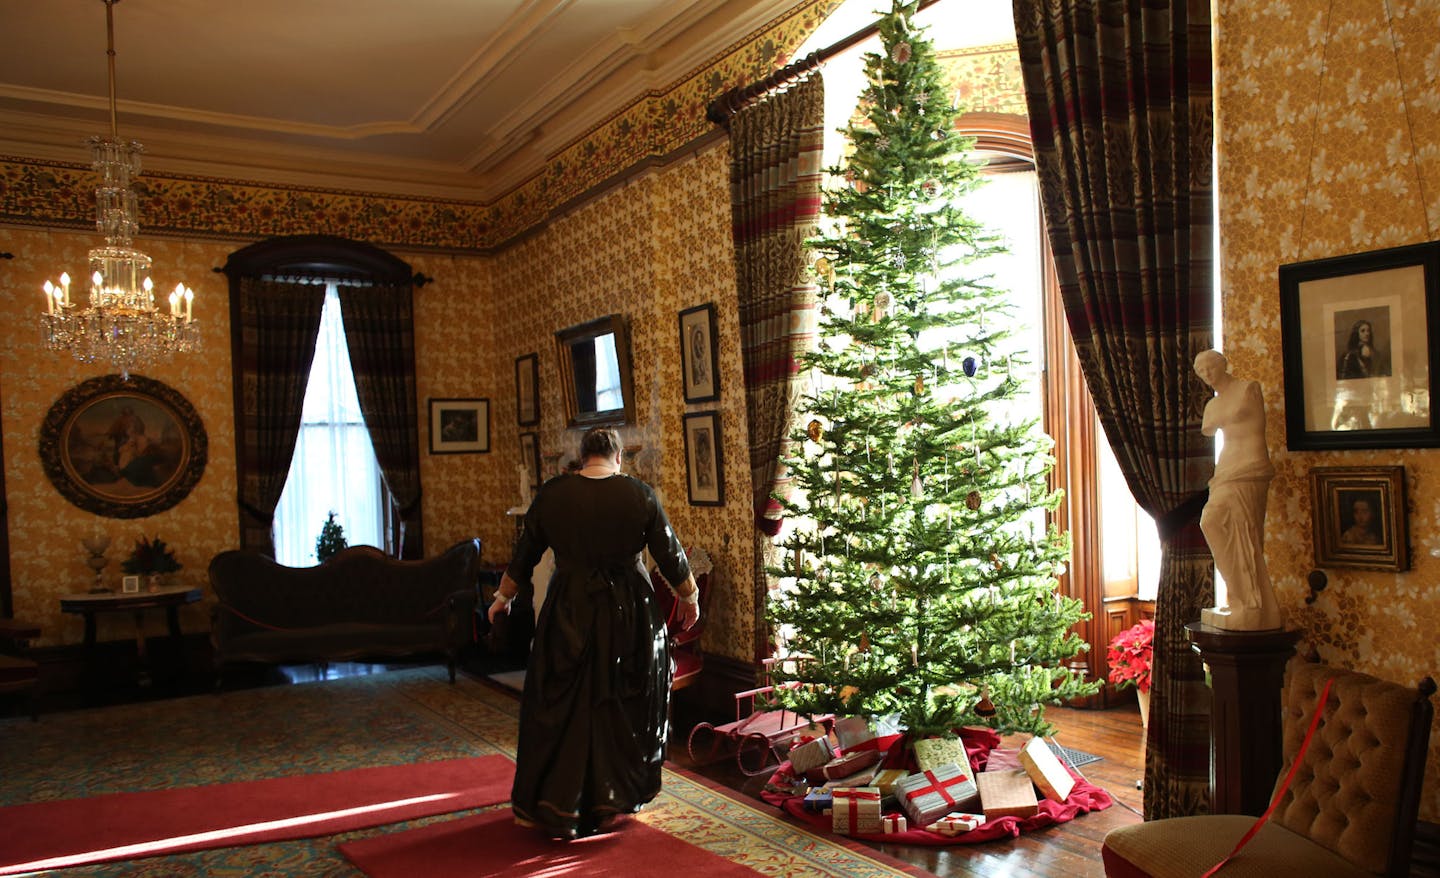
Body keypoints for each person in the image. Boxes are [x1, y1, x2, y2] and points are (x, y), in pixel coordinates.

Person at [488, 426, 700, 839]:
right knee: (620, 702)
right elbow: (669, 552)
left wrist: (503, 596)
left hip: (569, 609)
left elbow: (525, 552)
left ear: (582, 458)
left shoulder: (553, 494)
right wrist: (690, 598)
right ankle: (613, 796)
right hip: (629, 615)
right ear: (619, 458)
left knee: (562, 703)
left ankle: (556, 800)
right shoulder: (639, 494)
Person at [1194, 350, 1282, 631]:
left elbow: (1241, 418)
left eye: (1211, 367)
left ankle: (1253, 605)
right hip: (1225, 472)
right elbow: (1211, 426)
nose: (1208, 374)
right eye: (1202, 371)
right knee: (1210, 522)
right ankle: (1237, 595)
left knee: (1247, 536)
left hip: (1251, 468)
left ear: (1223, 365)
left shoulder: (1248, 389)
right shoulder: (1212, 407)